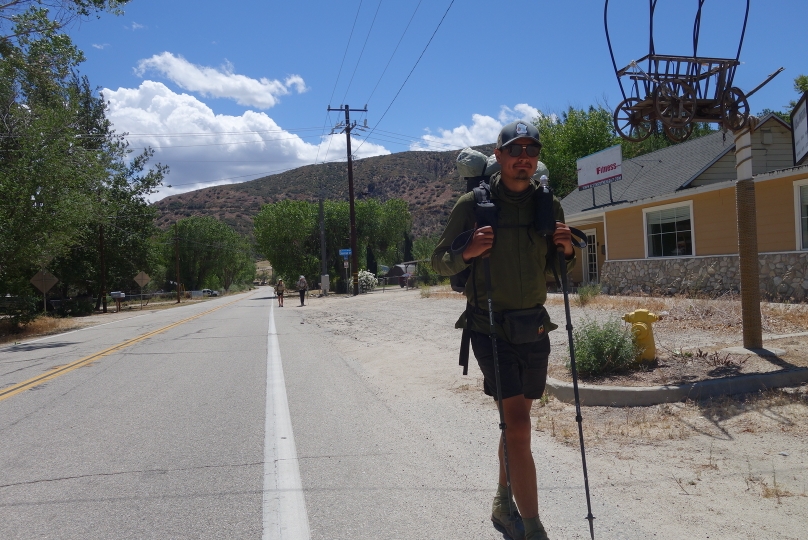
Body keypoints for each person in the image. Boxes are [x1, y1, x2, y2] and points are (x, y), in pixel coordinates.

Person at [431, 121, 575, 540]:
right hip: (488, 327)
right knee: (518, 424)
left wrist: (566, 250)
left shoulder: (549, 205)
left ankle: (501, 499)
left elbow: (557, 271)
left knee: (516, 423)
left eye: (531, 150)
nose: (523, 157)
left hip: (533, 326)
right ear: (498, 156)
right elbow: (438, 261)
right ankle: (533, 529)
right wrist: (467, 250)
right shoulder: (472, 204)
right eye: (515, 150)